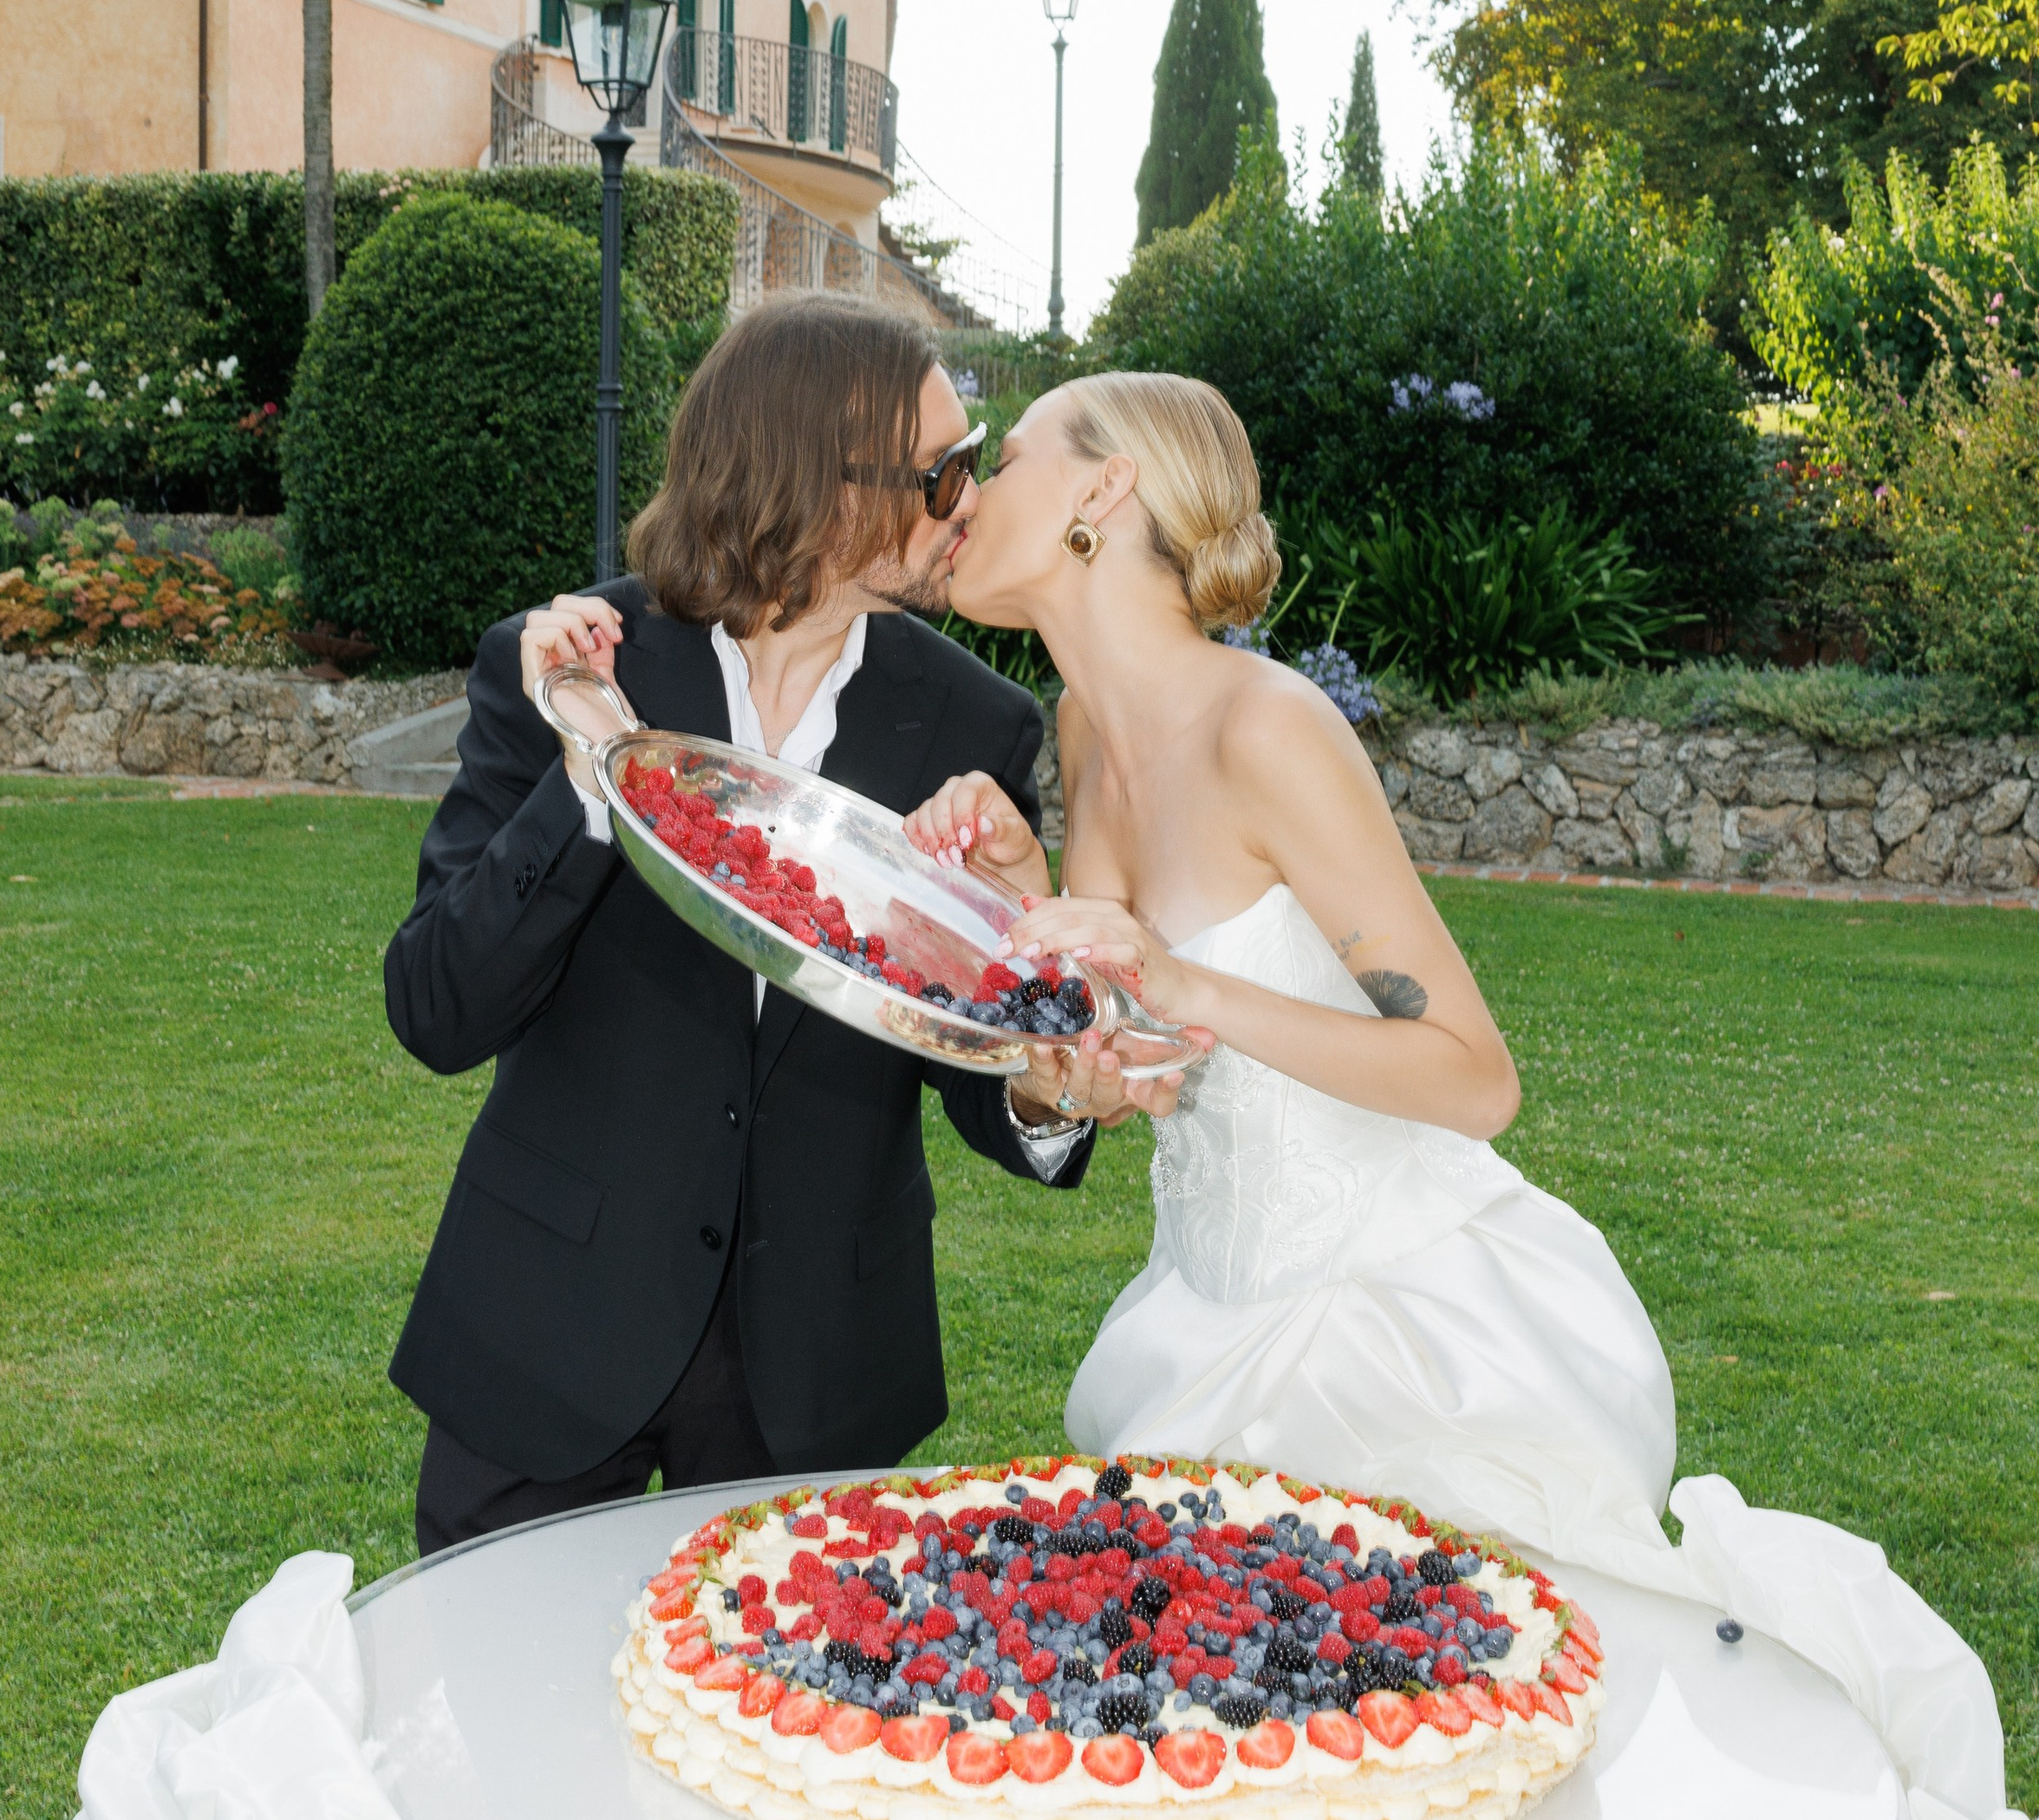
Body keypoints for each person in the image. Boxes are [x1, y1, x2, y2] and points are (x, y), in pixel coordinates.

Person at [384, 300, 1182, 1557]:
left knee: (768, 1697)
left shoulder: (975, 725)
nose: (970, 501)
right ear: (819, 485)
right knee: (494, 1681)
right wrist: (594, 771)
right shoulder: (572, 666)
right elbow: (437, 1009)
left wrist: (1046, 1091)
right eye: (941, 473)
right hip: (549, 1328)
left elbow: (981, 1059)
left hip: (815, 1370)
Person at [902, 367, 1679, 1569]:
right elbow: (1134, 1044)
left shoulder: (1267, 725)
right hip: (1202, 1318)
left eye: (1002, 466)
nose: (964, 497)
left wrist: (1192, 985)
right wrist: (1019, 891)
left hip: (1382, 1346)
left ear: (1102, 492)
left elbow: (1476, 1078)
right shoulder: (1085, 729)